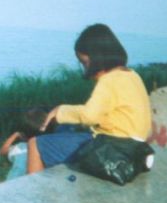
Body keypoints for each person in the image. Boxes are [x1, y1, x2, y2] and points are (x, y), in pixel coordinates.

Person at [26, 24, 152, 174]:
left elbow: (90, 116)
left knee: (35, 145)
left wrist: (60, 111)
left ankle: (32, 195)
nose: (85, 70)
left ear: (98, 57)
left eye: (85, 63)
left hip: (113, 147)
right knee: (64, 129)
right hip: (134, 147)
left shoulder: (109, 81)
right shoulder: (132, 75)